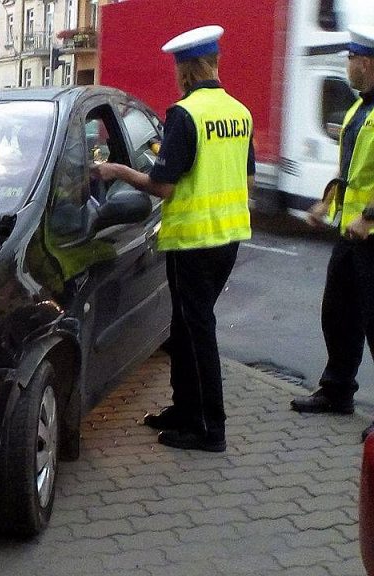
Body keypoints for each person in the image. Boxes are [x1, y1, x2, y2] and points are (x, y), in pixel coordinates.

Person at [92, 25, 255, 452]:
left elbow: (162, 185)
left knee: (197, 331)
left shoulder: (185, 114)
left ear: (185, 70)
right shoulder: (240, 112)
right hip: (228, 238)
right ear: (214, 64)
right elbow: (248, 179)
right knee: (185, 327)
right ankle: (184, 410)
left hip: (193, 241)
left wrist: (117, 172)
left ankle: (209, 429)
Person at [290, 26, 374, 440]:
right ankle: (338, 391)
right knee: (338, 313)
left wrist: (369, 218)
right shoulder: (362, 109)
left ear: (367, 62)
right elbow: (351, 171)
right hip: (350, 233)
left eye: (351, 60)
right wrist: (328, 203)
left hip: (371, 235)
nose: (347, 69)